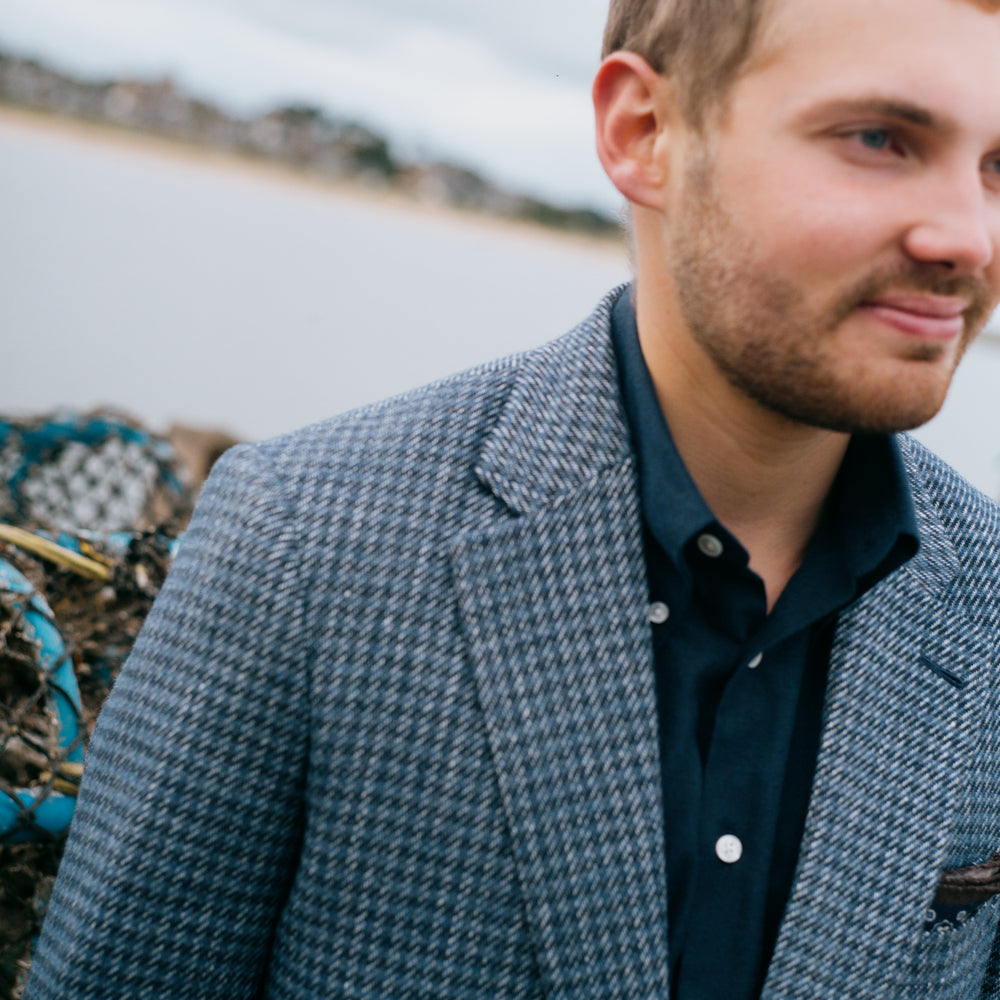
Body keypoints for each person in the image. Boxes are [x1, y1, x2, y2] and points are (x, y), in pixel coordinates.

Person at [24, 0, 1000, 996]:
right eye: (879, 139)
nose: (967, 237)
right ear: (645, 132)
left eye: (999, 167)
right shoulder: (303, 542)